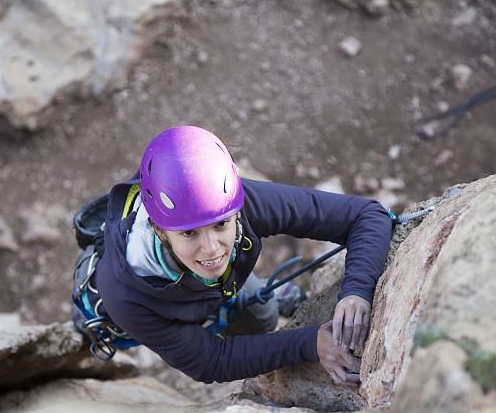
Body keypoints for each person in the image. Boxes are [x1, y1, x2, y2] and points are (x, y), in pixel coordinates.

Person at [86, 125, 392, 387]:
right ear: (160, 230)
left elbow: (366, 216)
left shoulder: (234, 203)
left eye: (221, 226)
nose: (212, 248)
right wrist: (309, 343)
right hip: (163, 306)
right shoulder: (126, 295)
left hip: (208, 287)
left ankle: (263, 294)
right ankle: (258, 295)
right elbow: (210, 361)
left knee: (264, 315)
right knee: (260, 320)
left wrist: (357, 291)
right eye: (189, 233)